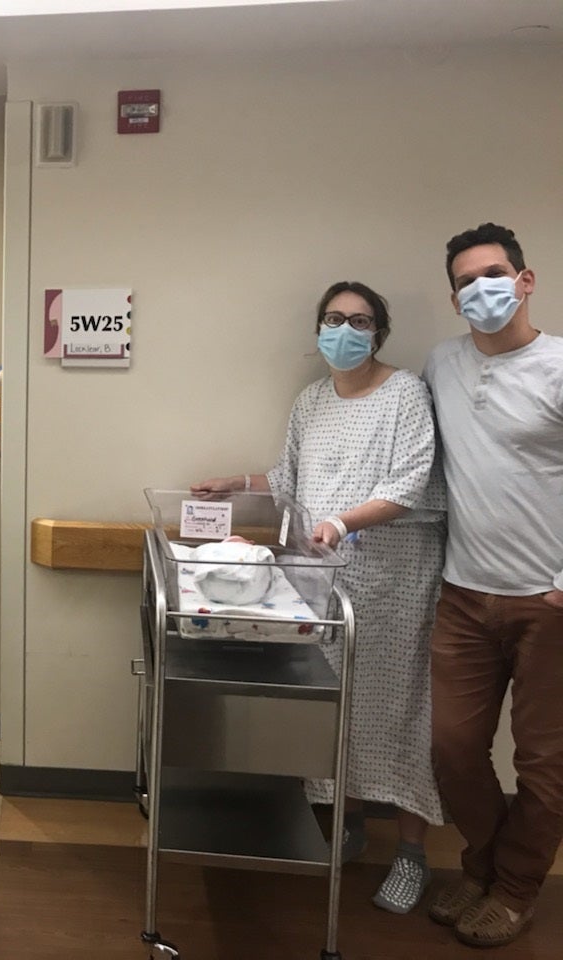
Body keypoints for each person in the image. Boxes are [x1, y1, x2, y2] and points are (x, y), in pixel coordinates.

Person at [192, 280, 446, 913]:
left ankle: (411, 855)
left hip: (394, 583)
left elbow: (410, 483)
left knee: (401, 711)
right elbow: (290, 479)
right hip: (323, 583)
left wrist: (343, 522)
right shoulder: (311, 401)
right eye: (334, 319)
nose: (345, 330)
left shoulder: (406, 394)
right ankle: (349, 825)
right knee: (338, 707)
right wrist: (237, 483)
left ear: (379, 333)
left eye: (360, 321)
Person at [423, 223, 563, 948]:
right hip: (463, 596)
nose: (483, 289)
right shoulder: (443, 364)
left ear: (527, 279)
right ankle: (482, 865)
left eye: (495, 273)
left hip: (549, 604)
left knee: (545, 763)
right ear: (453, 299)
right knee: (452, 748)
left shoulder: (560, 365)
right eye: (467, 281)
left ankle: (512, 890)